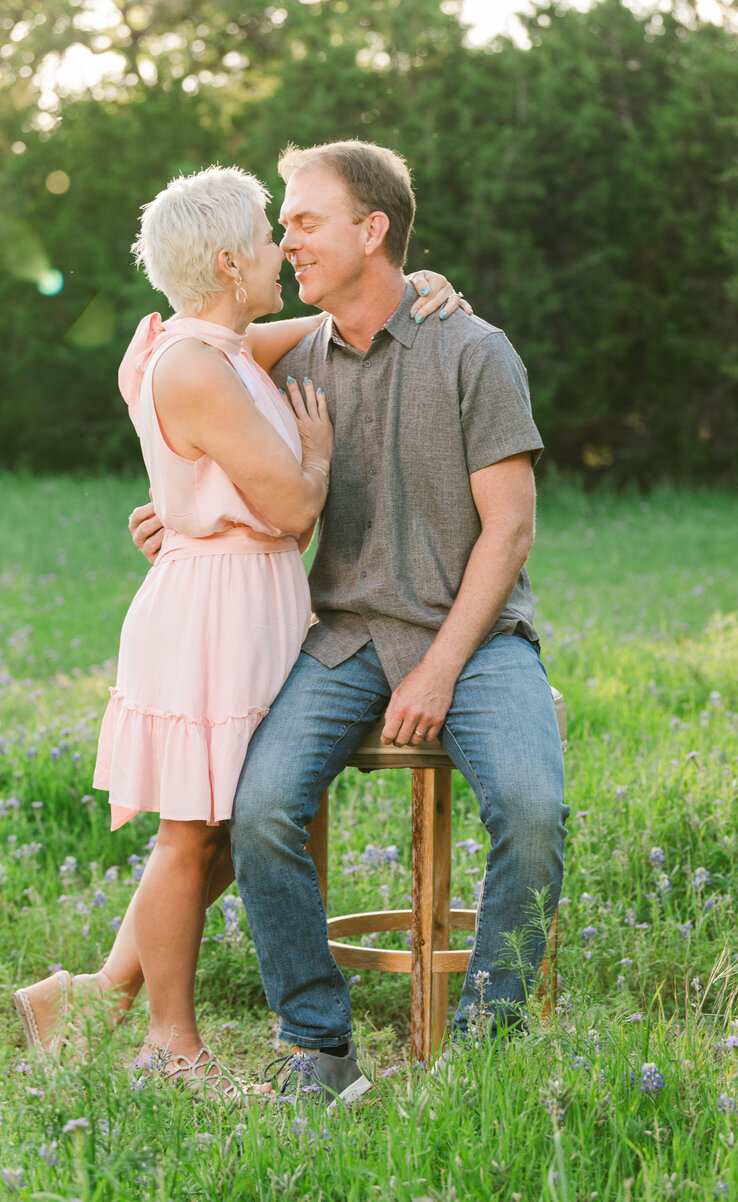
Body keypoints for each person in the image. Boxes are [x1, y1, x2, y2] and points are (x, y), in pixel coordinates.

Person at [11, 163, 462, 1102]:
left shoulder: (222, 347)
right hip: (214, 616)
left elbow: (314, 333)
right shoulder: (191, 363)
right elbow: (295, 506)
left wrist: (410, 293)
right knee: (192, 835)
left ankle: (89, 996)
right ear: (227, 260)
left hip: (249, 605)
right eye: (267, 237)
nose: (280, 250)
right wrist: (319, 454)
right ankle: (170, 1047)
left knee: (223, 834)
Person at [137, 140, 567, 1106]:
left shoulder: (475, 351)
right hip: (338, 637)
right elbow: (193, 367)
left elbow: (511, 532)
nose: (285, 240)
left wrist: (442, 670)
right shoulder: (294, 356)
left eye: (305, 221)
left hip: (476, 636)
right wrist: (184, 504)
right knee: (258, 812)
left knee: (534, 812)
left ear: (373, 231)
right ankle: (319, 1047)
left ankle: (488, 1055)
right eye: (280, 223)